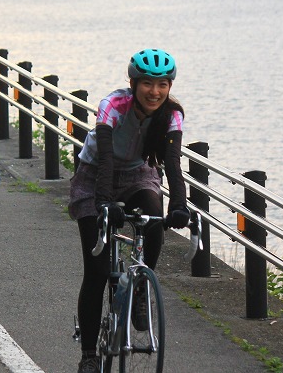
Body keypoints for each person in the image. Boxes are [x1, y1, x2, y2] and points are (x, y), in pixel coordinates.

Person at [69, 48, 191, 373]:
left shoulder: (172, 115)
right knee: (95, 273)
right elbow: (106, 157)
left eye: (163, 84)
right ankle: (89, 355)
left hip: (140, 174)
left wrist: (179, 205)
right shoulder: (113, 106)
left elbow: (174, 164)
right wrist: (104, 202)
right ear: (134, 83)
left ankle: (139, 288)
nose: (155, 91)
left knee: (154, 221)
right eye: (148, 83)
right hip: (96, 175)